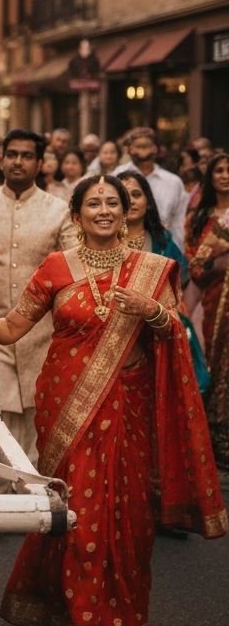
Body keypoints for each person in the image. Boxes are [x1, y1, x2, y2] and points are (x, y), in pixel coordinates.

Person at [0, 174, 227, 626]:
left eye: (115, 202)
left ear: (129, 211)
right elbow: (11, 328)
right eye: (95, 203)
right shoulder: (55, 267)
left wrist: (151, 311)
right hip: (65, 402)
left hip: (127, 407)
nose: (106, 210)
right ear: (77, 214)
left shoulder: (151, 270)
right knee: (77, 512)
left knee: (127, 518)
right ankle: (73, 620)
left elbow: (176, 333)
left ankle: (114, 624)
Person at [0, 129, 77, 541]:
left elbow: (72, 276)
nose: (17, 162)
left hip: (41, 333)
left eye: (27, 156)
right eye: (11, 155)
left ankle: (31, 499)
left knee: (33, 414)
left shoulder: (58, 211)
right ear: (2, 159)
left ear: (39, 163)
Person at [122, 168, 210, 396]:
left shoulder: (163, 242)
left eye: (136, 194)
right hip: (118, 332)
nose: (130, 201)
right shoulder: (105, 243)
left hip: (158, 329)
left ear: (148, 202)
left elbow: (175, 290)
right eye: (123, 194)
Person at [186, 151, 229, 470]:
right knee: (215, 360)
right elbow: (196, 266)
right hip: (213, 301)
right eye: (220, 170)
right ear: (211, 177)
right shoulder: (200, 218)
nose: (226, 175)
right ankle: (218, 436)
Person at [115, 126, 189, 249]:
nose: (143, 150)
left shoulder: (173, 182)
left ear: (156, 149)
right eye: (138, 146)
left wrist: (174, 252)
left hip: (163, 248)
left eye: (147, 146)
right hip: (121, 246)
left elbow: (178, 223)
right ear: (129, 149)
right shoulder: (116, 177)